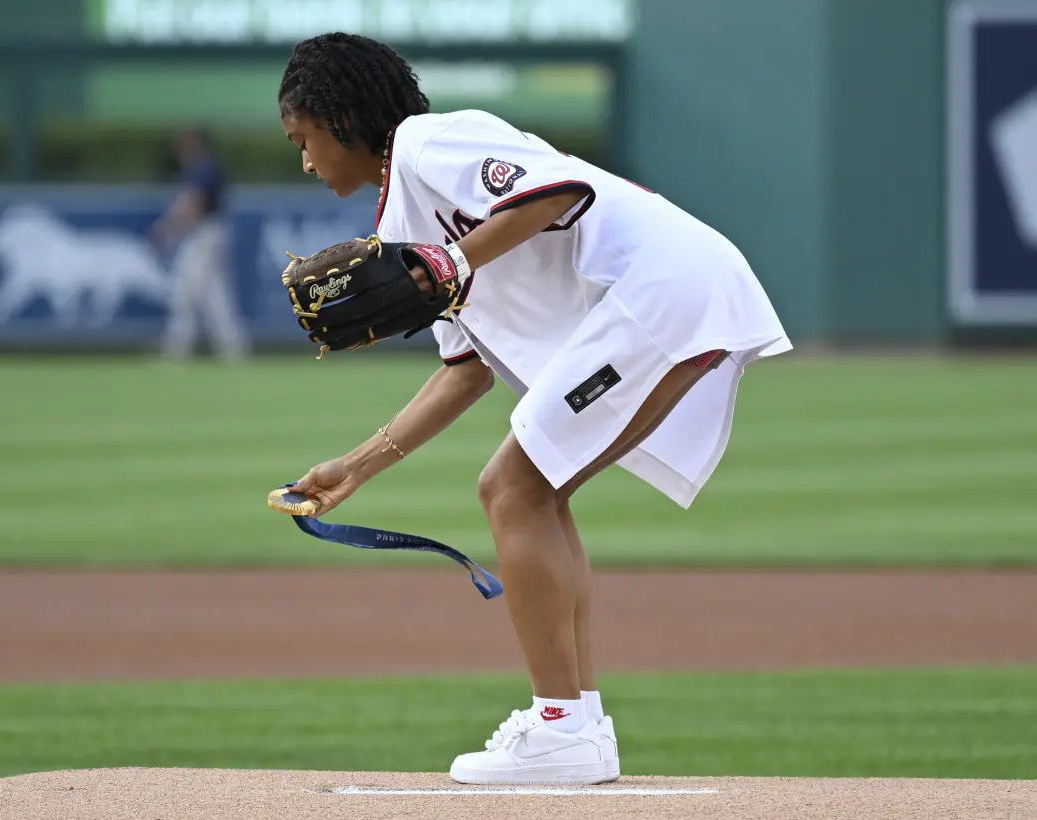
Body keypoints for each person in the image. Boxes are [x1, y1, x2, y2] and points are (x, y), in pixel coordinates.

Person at [277, 33, 792, 786]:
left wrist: (449, 262)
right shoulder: (400, 233)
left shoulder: (429, 140)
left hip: (662, 284)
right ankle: (577, 722)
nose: (305, 160)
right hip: (661, 296)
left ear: (344, 118)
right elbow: (464, 375)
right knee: (538, 490)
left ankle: (561, 728)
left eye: (305, 139)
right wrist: (352, 469)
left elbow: (556, 192)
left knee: (511, 488)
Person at [154, 126, 250, 361]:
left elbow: (194, 204)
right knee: (215, 296)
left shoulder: (204, 168)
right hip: (208, 234)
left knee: (185, 293)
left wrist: (169, 228)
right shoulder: (202, 167)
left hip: (206, 234)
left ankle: (176, 350)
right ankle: (234, 349)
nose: (181, 151)